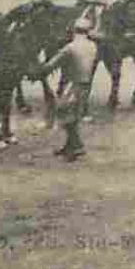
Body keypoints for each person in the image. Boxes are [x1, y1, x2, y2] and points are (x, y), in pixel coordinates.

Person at [38, 17, 98, 161]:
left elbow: (51, 65)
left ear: (74, 31)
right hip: (85, 83)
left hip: (72, 83)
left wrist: (38, 68)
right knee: (74, 115)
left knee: (65, 114)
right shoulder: (92, 46)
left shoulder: (70, 47)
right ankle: (69, 146)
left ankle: (76, 147)